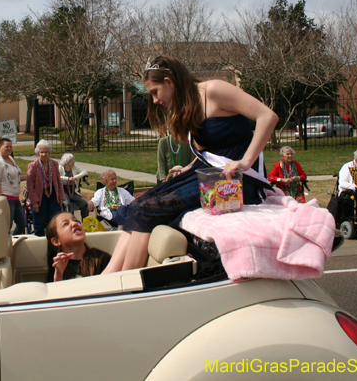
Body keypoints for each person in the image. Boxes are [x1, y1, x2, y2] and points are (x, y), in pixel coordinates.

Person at [104, 55, 278, 273]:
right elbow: (209, 150)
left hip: (234, 180)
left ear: (169, 82)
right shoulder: (190, 105)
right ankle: (108, 275)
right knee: (140, 203)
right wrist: (187, 168)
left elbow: (267, 116)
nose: (155, 100)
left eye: (155, 92)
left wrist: (245, 162)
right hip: (207, 173)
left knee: (148, 210)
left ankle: (123, 283)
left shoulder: (214, 90)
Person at [46, 212, 111, 281]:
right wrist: (59, 274)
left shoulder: (101, 259)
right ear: (56, 241)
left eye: (76, 220)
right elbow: (57, 291)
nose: (74, 223)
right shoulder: (57, 266)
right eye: (65, 224)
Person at [26, 140, 64, 237]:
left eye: (46, 152)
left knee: (54, 223)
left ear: (49, 152)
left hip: (53, 196)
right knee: (39, 224)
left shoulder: (54, 164)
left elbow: (58, 181)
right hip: (39, 197)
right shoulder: (33, 166)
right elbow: (30, 186)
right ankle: (40, 245)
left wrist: (61, 197)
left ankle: (53, 244)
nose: (44, 154)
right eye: (41, 152)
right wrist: (34, 202)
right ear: (38, 153)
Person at [0, 138, 27, 235]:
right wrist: (0, 201)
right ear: (0, 147)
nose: (9, 149)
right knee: (7, 225)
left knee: (22, 223)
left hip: (15, 198)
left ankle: (14, 242)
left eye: (10, 147)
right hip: (6, 198)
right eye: (6, 146)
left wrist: (29, 177)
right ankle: (4, 246)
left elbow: (16, 177)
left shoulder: (11, 159)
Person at [59, 153, 90, 219]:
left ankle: (85, 222)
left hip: (74, 191)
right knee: (66, 205)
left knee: (84, 204)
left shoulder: (74, 167)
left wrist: (75, 177)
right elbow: (56, 177)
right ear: (66, 162)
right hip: (63, 191)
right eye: (72, 160)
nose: (74, 162)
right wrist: (67, 179)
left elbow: (84, 172)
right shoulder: (60, 168)